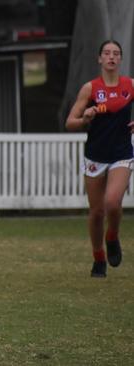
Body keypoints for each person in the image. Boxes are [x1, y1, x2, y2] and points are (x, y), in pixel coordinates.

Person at [65, 40, 134, 278]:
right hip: (95, 154)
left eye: (116, 53)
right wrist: (86, 117)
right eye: (107, 53)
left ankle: (112, 236)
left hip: (122, 154)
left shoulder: (130, 85)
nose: (111, 57)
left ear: (121, 59)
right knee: (96, 212)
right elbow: (70, 122)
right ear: (99, 59)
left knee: (113, 203)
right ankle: (98, 258)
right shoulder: (90, 88)